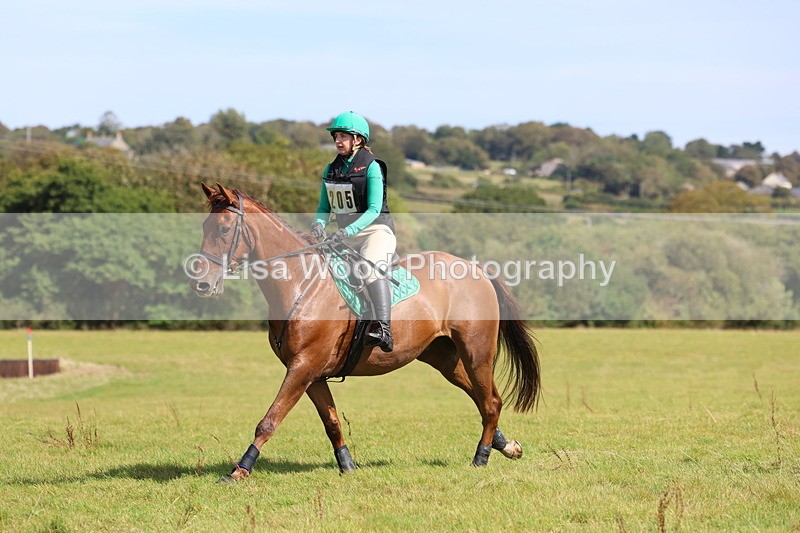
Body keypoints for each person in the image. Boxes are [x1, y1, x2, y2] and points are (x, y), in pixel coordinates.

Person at [311, 111, 396, 352]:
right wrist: (319, 224)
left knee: (369, 267)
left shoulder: (372, 167)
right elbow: (323, 207)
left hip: (375, 231)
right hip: (344, 236)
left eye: (344, 136)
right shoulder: (331, 169)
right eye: (336, 136)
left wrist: (346, 231)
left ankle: (384, 328)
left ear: (358, 139)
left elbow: (373, 209)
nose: (338, 140)